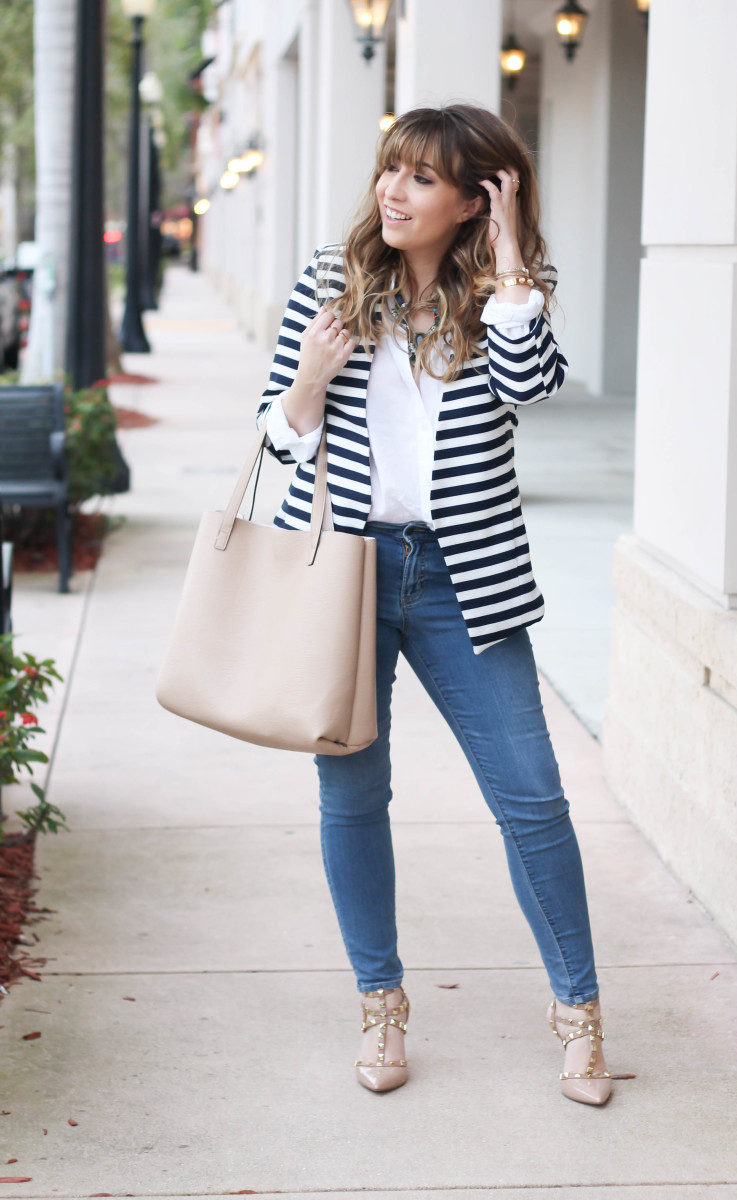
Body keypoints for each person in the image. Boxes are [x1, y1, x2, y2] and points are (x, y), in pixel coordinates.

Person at [256, 103, 613, 1107]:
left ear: (471, 199)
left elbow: (532, 388)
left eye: (421, 178)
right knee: (352, 797)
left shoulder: (505, 298)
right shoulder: (328, 286)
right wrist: (307, 387)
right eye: (390, 170)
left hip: (465, 579)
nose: (393, 191)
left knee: (532, 800)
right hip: (348, 575)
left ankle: (577, 1016)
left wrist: (508, 265)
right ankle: (379, 1005)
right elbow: (277, 443)